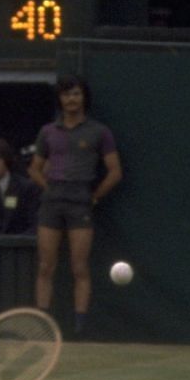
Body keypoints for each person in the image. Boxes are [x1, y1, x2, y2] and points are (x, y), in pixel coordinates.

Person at [32, 76, 121, 337]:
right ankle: (43, 325)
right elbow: (35, 169)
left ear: (84, 98)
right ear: (60, 99)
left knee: (79, 267)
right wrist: (49, 189)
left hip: (80, 201)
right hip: (52, 203)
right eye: (67, 94)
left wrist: (94, 196)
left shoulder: (99, 132)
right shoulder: (48, 132)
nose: (71, 99)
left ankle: (79, 327)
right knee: (46, 266)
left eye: (76, 94)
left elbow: (115, 171)